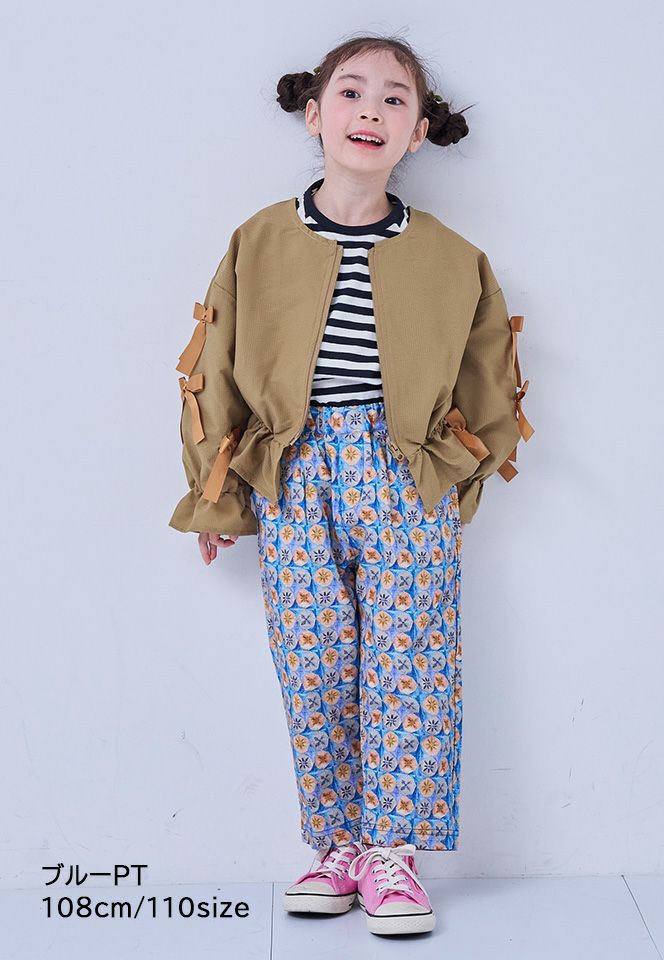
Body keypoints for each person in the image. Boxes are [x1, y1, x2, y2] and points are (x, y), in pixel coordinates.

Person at [168, 33, 534, 937]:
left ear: (417, 132)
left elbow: (490, 380)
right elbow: (213, 369)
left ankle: (392, 853)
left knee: (411, 661)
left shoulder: (452, 257)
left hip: (406, 469)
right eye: (352, 92)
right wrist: (216, 495)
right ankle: (336, 845)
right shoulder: (259, 241)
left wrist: (451, 484)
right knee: (314, 656)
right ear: (315, 114)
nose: (371, 109)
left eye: (395, 98)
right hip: (292, 470)